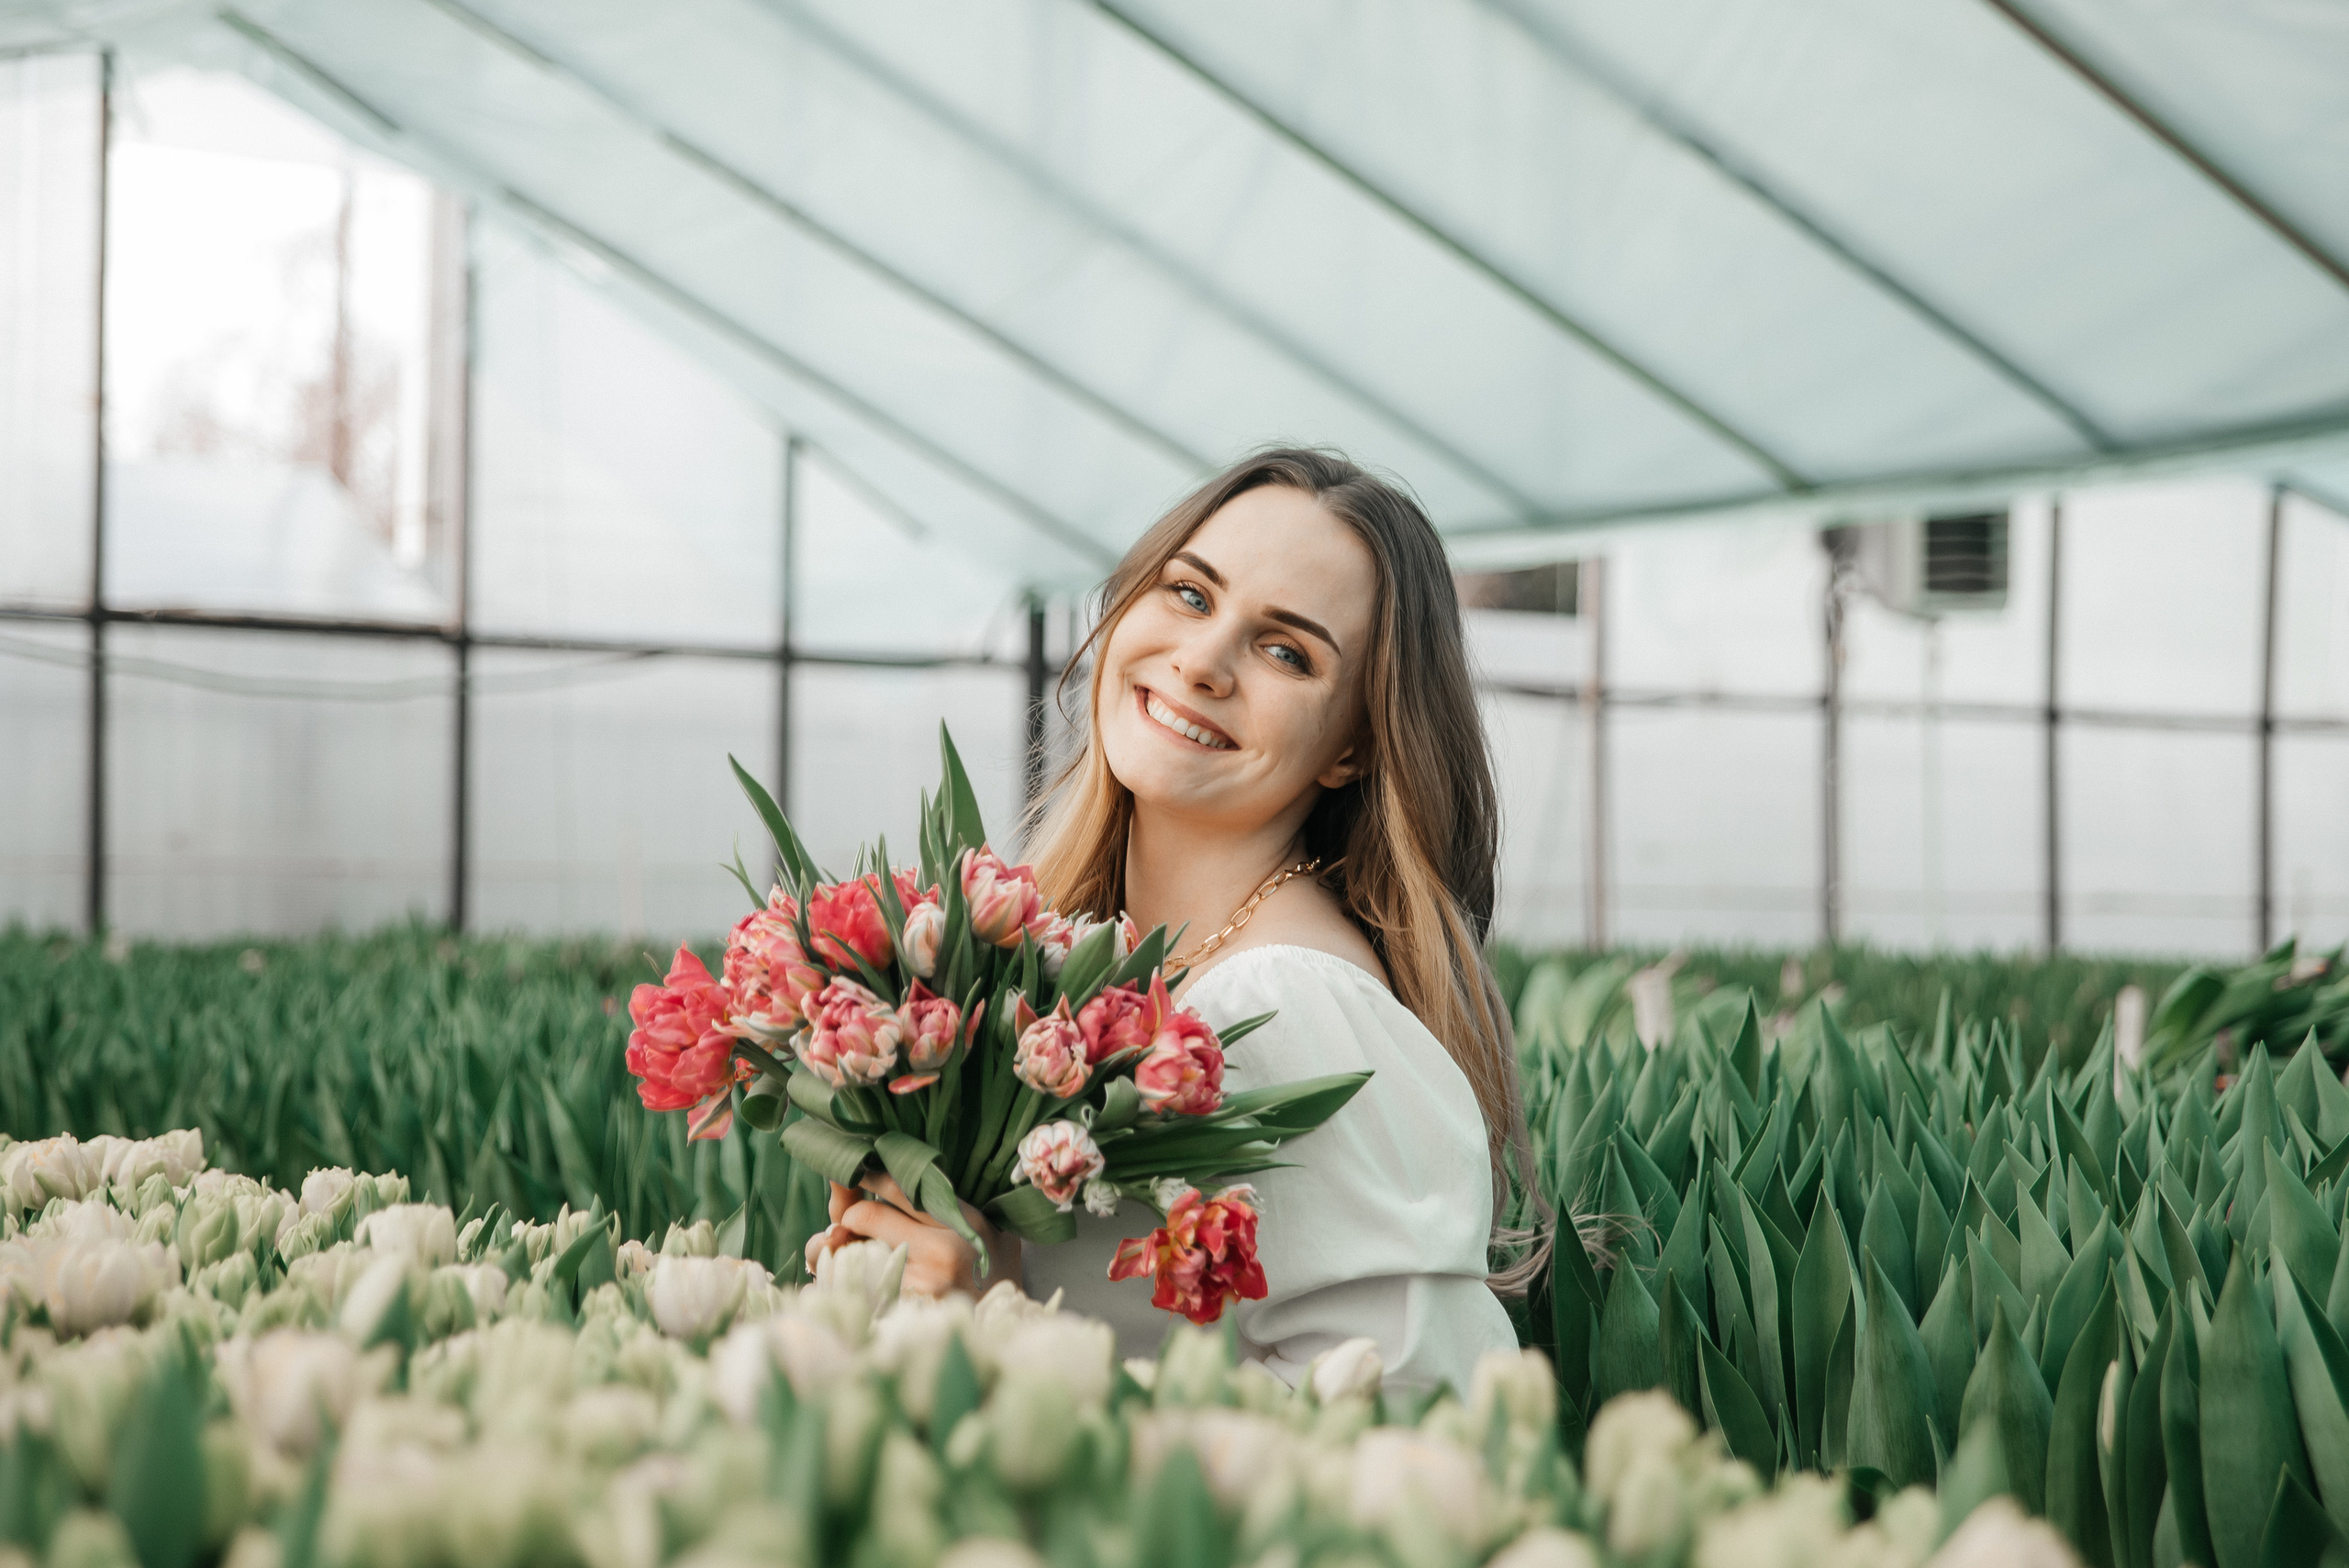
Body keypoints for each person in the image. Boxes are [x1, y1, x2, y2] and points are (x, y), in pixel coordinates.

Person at [811, 447, 1537, 1396]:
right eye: (1190, 594)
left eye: (1286, 650)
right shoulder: (1062, 955)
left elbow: (1407, 1415)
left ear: (1353, 745)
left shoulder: (1295, 1007)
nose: (1200, 661)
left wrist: (994, 1329)